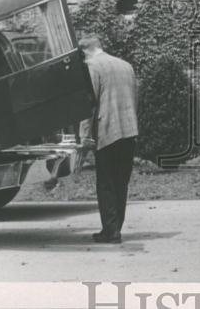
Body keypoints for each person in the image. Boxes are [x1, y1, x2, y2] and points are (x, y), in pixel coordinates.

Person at [78, 32, 140, 243]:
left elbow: (89, 105)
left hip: (107, 131)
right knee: (121, 182)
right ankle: (116, 228)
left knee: (106, 184)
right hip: (130, 131)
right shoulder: (126, 65)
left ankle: (110, 231)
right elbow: (134, 98)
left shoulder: (92, 66)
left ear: (85, 51)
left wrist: (83, 137)